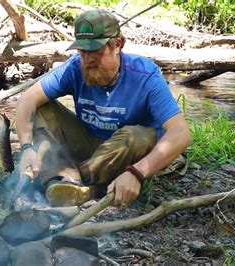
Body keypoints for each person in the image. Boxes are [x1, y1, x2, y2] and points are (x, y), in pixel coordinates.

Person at [15, 9, 191, 207]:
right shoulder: (74, 68)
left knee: (137, 137)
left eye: (95, 51)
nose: (88, 59)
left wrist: (137, 173)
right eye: (83, 51)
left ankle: (68, 179)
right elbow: (26, 100)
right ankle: (67, 180)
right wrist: (27, 148)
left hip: (125, 154)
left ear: (117, 45)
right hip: (88, 144)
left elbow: (180, 134)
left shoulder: (145, 75)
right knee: (42, 108)